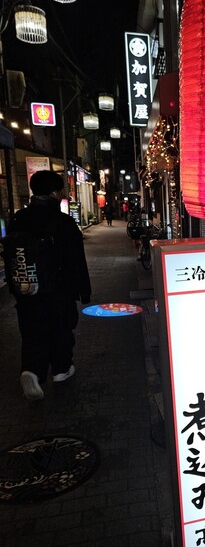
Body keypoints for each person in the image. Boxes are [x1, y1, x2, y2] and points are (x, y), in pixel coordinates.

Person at [7, 170, 91, 400]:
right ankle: (61, 370)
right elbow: (76, 259)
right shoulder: (62, 222)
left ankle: (32, 370)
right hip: (58, 289)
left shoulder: (18, 219)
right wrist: (83, 291)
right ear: (55, 192)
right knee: (60, 328)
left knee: (32, 332)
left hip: (27, 289)